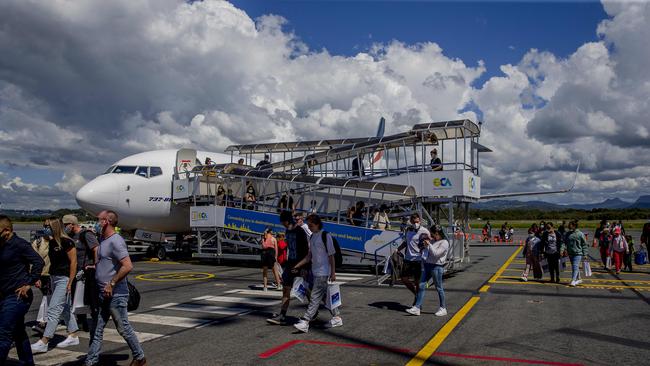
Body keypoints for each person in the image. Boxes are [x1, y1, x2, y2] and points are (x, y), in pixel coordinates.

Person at [85, 211, 146, 366]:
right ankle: (91, 361)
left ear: (106, 221)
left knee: (123, 328)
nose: (95, 223)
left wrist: (111, 283)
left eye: (98, 220)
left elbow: (127, 266)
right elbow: (108, 263)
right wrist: (95, 267)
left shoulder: (115, 241)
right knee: (96, 329)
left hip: (115, 294)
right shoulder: (103, 240)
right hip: (102, 293)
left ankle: (140, 357)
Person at [31, 217, 79, 353]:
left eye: (47, 226)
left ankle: (45, 340)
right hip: (53, 277)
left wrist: (70, 282)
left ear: (55, 227)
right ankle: (73, 334)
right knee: (64, 309)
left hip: (64, 279)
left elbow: (73, 263)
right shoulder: (51, 242)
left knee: (53, 310)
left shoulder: (67, 242)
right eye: (44, 225)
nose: (45, 228)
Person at [0, 215, 44, 366]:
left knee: (3, 333)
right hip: (3, 295)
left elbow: (38, 261)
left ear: (6, 230)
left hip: (18, 296)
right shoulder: (2, 244)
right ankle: (27, 362)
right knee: (18, 332)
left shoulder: (19, 244)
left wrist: (28, 283)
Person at [292, 214, 342, 332]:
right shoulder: (312, 237)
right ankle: (337, 317)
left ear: (317, 224)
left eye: (311, 225)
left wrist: (333, 272)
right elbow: (309, 256)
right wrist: (298, 265)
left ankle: (305, 321)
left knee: (314, 297)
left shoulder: (326, 236)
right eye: (308, 225)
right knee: (325, 297)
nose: (309, 227)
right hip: (315, 271)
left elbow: (331, 256)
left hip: (323, 272)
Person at [266, 211, 310, 326]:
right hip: (290, 264)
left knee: (307, 290)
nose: (282, 224)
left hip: (300, 264)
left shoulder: (300, 231)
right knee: (286, 289)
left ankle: (315, 312)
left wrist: (304, 266)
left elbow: (306, 249)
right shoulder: (287, 231)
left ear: (286, 221)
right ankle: (282, 315)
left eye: (282, 222)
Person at [63, 214, 100, 335]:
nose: (65, 227)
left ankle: (96, 320)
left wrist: (95, 264)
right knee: (76, 296)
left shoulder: (86, 234)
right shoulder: (70, 236)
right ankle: (82, 320)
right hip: (75, 271)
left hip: (86, 271)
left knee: (90, 297)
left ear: (72, 224)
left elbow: (96, 249)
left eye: (66, 225)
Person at [406, 226, 449, 316]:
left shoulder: (444, 243)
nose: (432, 236)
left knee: (439, 288)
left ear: (437, 233)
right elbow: (426, 253)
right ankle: (417, 307)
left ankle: (443, 308)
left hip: (437, 266)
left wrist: (429, 245)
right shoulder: (433, 241)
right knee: (421, 285)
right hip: (427, 265)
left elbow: (436, 254)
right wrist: (424, 247)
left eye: (433, 234)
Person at [397, 213, 429, 305]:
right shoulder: (408, 230)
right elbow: (406, 242)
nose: (416, 223)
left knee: (417, 282)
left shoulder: (424, 231)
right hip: (408, 258)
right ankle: (416, 294)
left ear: (420, 221)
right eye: (414, 221)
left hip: (418, 259)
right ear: (411, 221)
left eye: (417, 221)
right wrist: (398, 249)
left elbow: (429, 243)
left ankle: (417, 303)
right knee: (404, 278)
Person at [566, 220, 589, 287]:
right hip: (570, 253)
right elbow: (564, 242)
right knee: (575, 266)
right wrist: (562, 250)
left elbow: (584, 244)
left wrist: (585, 254)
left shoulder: (580, 234)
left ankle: (573, 280)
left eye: (570, 225)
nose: (569, 226)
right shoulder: (568, 234)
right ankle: (579, 278)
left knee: (575, 266)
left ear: (574, 226)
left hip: (578, 253)